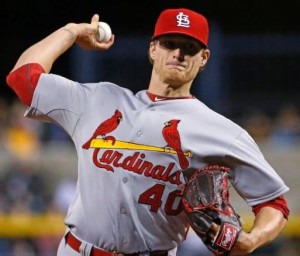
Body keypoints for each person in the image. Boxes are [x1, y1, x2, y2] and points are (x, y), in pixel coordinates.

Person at [6, 7, 290, 256]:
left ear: (204, 58)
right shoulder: (99, 100)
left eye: (189, 48)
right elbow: (23, 78)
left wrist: (253, 239)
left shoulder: (223, 132)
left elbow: (274, 203)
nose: (178, 53)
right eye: (169, 43)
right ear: (153, 49)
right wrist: (70, 32)